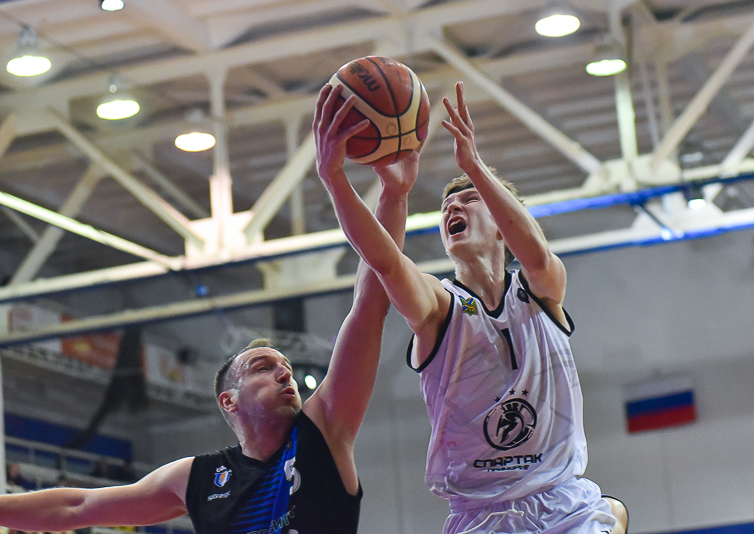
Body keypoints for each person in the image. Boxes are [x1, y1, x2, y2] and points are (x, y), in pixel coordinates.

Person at [0, 85, 417, 534]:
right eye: (263, 368)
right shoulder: (197, 479)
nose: (285, 374)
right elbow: (78, 506)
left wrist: (393, 195)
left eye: (285, 368)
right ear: (228, 401)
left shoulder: (325, 430)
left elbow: (370, 304)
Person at [316, 80, 627, 534]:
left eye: (468, 199)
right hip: (479, 517)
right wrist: (347, 182)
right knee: (614, 512)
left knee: (612, 510)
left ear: (502, 224)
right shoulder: (439, 305)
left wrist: (474, 166)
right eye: (446, 205)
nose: (452, 208)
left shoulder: (540, 291)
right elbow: (384, 261)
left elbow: (537, 256)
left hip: (561, 504)